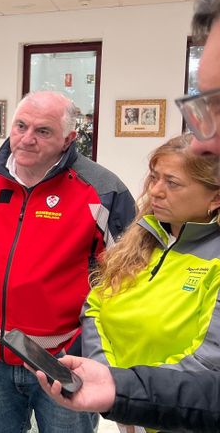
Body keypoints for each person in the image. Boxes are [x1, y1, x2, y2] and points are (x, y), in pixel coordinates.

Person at [33, 0, 220, 432]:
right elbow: (96, 305)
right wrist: (123, 388)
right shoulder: (146, 236)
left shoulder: (99, 187)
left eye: (218, 106)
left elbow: (208, 370)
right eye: (204, 105)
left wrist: (130, 390)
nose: (201, 143)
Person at [0, 90, 136, 433]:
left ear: (68, 139)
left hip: (65, 358)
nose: (26, 139)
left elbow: (127, 278)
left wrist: (91, 346)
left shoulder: (103, 191)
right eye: (20, 126)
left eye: (43, 131)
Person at [80, 134, 220, 432]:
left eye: (173, 183)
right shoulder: (143, 239)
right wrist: (111, 381)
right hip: (127, 408)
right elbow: (94, 308)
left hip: (178, 419)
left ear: (216, 197)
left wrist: (130, 396)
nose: (155, 191)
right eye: (154, 178)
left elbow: (209, 364)